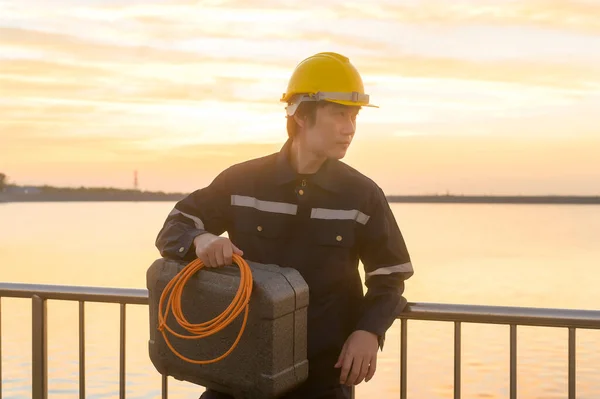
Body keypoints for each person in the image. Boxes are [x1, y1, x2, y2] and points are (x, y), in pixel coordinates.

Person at [155, 52, 414, 399]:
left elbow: (390, 276)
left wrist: (369, 331)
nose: (349, 128)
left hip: (322, 381)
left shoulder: (362, 195)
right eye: (339, 114)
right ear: (303, 115)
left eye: (353, 116)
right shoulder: (242, 181)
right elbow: (175, 227)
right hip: (238, 377)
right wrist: (200, 240)